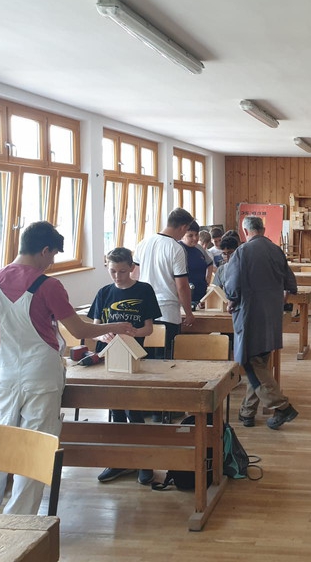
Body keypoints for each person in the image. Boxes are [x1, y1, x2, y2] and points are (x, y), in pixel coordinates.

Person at [0, 221, 133, 514]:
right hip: (42, 375)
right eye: (53, 255)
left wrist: (0, 362)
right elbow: (80, 329)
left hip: (5, 374)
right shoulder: (49, 286)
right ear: (44, 250)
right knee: (35, 449)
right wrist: (116, 326)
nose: (52, 262)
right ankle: (21, 522)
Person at [87, 247, 161, 485]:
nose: (117, 276)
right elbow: (94, 328)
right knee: (116, 411)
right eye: (112, 271)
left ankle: (143, 461)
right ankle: (119, 461)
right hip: (109, 360)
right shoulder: (104, 293)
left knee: (134, 411)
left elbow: (148, 329)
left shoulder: (144, 290)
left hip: (133, 360)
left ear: (131, 268)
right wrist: (103, 335)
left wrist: (132, 332)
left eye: (121, 271)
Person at [224, 216, 299, 430]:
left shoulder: (242, 252)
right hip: (272, 314)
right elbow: (290, 282)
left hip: (250, 314)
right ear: (263, 230)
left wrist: (231, 301)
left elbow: (232, 286)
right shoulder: (276, 250)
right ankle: (247, 412)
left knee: (250, 361)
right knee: (259, 364)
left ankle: (282, 406)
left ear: (245, 231)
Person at [133, 207, 195, 359]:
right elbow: (182, 285)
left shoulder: (143, 243)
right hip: (167, 311)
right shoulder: (176, 248)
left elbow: (134, 276)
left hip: (144, 309)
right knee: (166, 359)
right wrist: (188, 312)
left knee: (145, 359)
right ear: (183, 227)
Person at [180, 220, 214, 307]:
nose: (195, 238)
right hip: (186, 296)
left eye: (196, 234)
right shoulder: (178, 249)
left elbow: (210, 263)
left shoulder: (199, 247)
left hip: (201, 294)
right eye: (190, 236)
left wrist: (208, 278)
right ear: (182, 235)